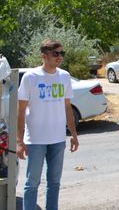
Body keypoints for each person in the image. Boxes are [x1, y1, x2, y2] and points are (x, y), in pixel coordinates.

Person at [17, 39, 79, 210]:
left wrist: (73, 135)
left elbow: (67, 107)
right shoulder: (31, 77)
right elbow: (20, 110)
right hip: (36, 140)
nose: (60, 57)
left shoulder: (64, 76)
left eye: (62, 54)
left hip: (58, 139)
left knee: (54, 183)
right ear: (44, 55)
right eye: (55, 54)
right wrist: (19, 141)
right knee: (32, 183)